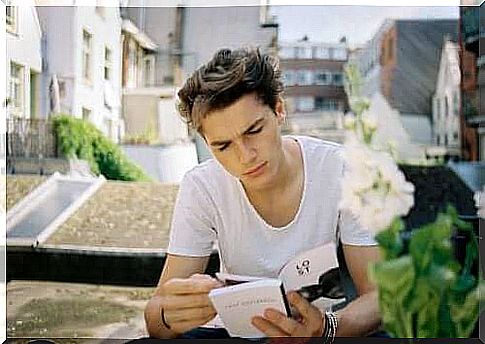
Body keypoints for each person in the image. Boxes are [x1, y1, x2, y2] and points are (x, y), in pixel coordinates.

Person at [144, 47, 382, 339]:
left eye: (254, 130)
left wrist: (326, 329)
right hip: (233, 334)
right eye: (223, 146)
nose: (245, 156)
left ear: (279, 110)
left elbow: (380, 298)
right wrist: (172, 313)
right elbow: (155, 319)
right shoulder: (202, 186)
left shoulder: (343, 169)